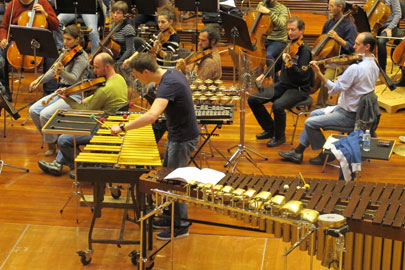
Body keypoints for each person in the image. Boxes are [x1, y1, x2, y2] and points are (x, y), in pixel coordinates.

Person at [110, 53, 199, 240]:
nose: (136, 79)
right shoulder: (170, 73)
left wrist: (123, 127)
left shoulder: (168, 85)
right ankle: (169, 217)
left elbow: (152, 116)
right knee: (165, 179)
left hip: (183, 139)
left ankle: (181, 227)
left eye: (136, 75)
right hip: (176, 134)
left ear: (146, 71)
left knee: (175, 182)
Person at [278, 32, 379, 165]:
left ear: (367, 47)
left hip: (349, 115)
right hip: (358, 111)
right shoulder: (374, 64)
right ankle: (298, 151)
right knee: (314, 113)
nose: (353, 46)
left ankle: (327, 153)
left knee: (309, 123)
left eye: (357, 44)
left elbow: (335, 89)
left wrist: (319, 73)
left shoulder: (356, 68)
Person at [37, 53, 128, 178]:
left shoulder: (105, 90)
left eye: (96, 67)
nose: (94, 71)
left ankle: (82, 166)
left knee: (63, 139)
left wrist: (67, 99)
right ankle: (58, 163)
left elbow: (85, 111)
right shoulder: (119, 79)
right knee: (71, 129)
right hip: (112, 121)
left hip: (102, 127)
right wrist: (89, 98)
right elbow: (100, 97)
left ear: (107, 67)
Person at [248, 17, 313, 148]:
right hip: (284, 85)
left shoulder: (305, 51)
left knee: (277, 106)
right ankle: (270, 129)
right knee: (253, 99)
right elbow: (277, 65)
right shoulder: (288, 45)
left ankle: (279, 136)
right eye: (288, 29)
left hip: (298, 89)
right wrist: (264, 75)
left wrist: (290, 64)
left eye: (293, 30)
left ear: (302, 31)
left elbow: (302, 75)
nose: (290, 32)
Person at [29, 24, 89, 156]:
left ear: (77, 39)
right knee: (33, 110)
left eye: (69, 39)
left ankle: (53, 145)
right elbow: (52, 72)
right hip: (61, 91)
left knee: (45, 114)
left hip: (75, 94)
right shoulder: (65, 52)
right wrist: (38, 80)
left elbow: (74, 79)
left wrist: (61, 72)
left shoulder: (82, 57)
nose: (65, 42)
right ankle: (53, 142)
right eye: (64, 39)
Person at [0, 0, 59, 101]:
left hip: (38, 41)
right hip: (17, 41)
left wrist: (45, 14)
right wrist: (3, 38)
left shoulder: (42, 2)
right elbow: (4, 26)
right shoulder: (13, 4)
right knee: (0, 54)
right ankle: (4, 91)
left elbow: (55, 25)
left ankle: (49, 92)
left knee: (52, 55)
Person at [314, 0, 357, 107]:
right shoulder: (328, 23)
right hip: (326, 57)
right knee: (308, 73)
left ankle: (320, 106)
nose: (329, 9)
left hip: (341, 60)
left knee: (325, 80)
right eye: (328, 6)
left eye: (331, 6)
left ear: (340, 7)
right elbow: (322, 40)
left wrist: (338, 38)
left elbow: (351, 48)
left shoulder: (350, 26)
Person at [256, 0, 288, 79]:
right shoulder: (261, 4)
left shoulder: (282, 9)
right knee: (253, 54)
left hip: (278, 40)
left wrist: (269, 12)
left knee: (268, 55)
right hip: (262, 38)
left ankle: (276, 79)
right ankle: (256, 79)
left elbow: (281, 24)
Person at [375, 0, 401, 73]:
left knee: (381, 41)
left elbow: (398, 14)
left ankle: (382, 70)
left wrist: (389, 28)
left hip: (389, 26)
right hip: (376, 25)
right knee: (364, 39)